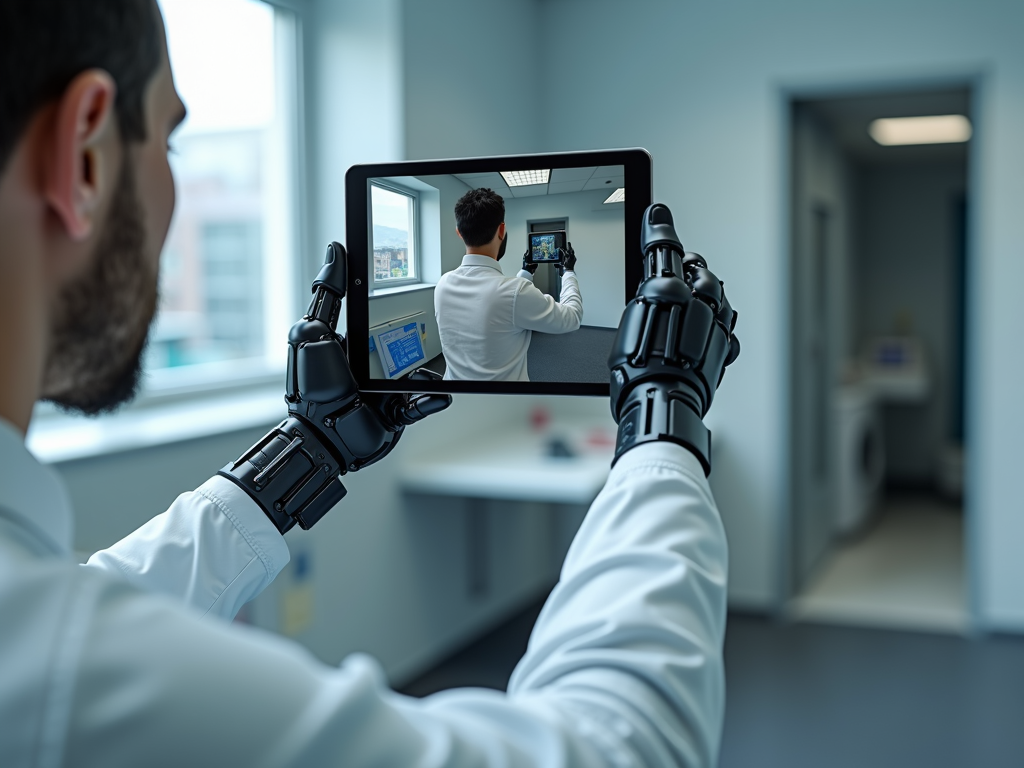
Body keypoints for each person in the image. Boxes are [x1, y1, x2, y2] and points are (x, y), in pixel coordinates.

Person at [0, 1, 740, 766]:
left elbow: (91, 597)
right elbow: (622, 750)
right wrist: (666, 410)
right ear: (84, 152)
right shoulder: (59, 677)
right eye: (171, 141)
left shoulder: (33, 631)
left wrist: (303, 454)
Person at [433, 187, 583, 381]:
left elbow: (499, 300)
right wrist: (568, 273)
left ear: (459, 232)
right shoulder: (516, 292)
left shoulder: (443, 285)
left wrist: (525, 272)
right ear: (502, 230)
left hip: (454, 402)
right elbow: (572, 317)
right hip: (506, 405)